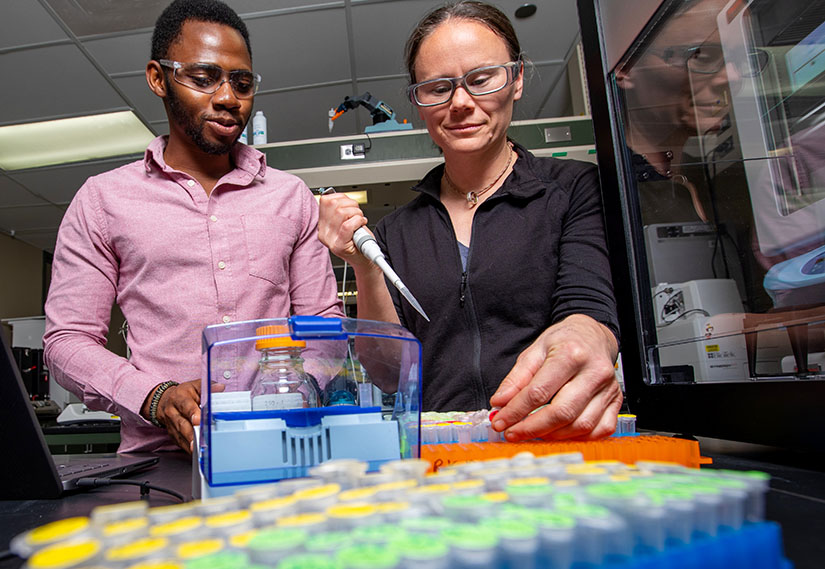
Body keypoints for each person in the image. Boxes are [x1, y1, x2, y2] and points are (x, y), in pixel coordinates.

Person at [43, 0, 343, 454]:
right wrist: (154, 397)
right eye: (203, 79)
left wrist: (288, 390)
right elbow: (67, 342)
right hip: (160, 461)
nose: (227, 98)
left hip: (286, 449)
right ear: (158, 78)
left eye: (241, 83)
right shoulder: (102, 200)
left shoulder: (291, 196)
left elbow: (323, 325)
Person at [319, 0, 621, 441]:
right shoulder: (394, 233)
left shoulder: (574, 188)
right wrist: (363, 262)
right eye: (438, 87)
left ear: (516, 79)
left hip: (557, 438)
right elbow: (388, 375)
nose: (460, 103)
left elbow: (588, 306)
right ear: (419, 103)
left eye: (481, 79)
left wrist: (587, 336)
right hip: (443, 454)